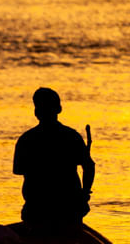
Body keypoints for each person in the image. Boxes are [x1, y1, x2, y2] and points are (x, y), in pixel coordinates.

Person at [13, 87, 95, 232]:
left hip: (36, 210)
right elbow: (89, 166)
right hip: (67, 210)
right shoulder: (71, 136)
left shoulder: (26, 139)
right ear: (59, 109)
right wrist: (85, 193)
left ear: (36, 112)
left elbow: (19, 170)